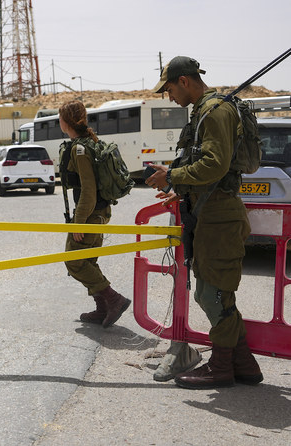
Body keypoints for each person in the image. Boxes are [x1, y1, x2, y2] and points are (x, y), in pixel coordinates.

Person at [146, 56, 263, 389]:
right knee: (215, 293)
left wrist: (171, 175)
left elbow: (213, 165)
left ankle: (222, 368)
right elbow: (210, 170)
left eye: (169, 89)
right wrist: (181, 191)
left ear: (184, 81)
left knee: (212, 294)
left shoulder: (215, 112)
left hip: (220, 218)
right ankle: (242, 363)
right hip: (211, 211)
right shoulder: (205, 110)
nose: (169, 97)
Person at [58, 101, 130, 328]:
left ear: (65, 122)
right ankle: (102, 308)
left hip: (90, 215)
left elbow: (88, 190)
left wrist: (78, 223)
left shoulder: (80, 149)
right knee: (87, 260)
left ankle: (113, 299)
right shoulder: (89, 142)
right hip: (99, 213)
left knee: (74, 261)